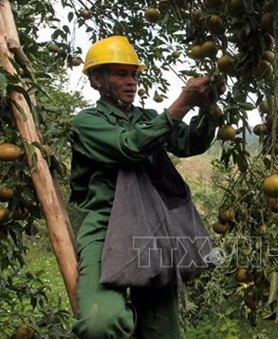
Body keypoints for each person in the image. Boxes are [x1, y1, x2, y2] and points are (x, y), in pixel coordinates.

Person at [69, 35, 222, 339]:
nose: (131, 82)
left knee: (163, 333)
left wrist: (208, 107)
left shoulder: (147, 118)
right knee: (100, 324)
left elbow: (191, 142)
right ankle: (130, 320)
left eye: (134, 75)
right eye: (121, 74)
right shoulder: (87, 122)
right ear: (98, 80)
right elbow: (130, 146)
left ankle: (144, 319)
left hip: (151, 228)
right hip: (105, 227)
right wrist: (180, 104)